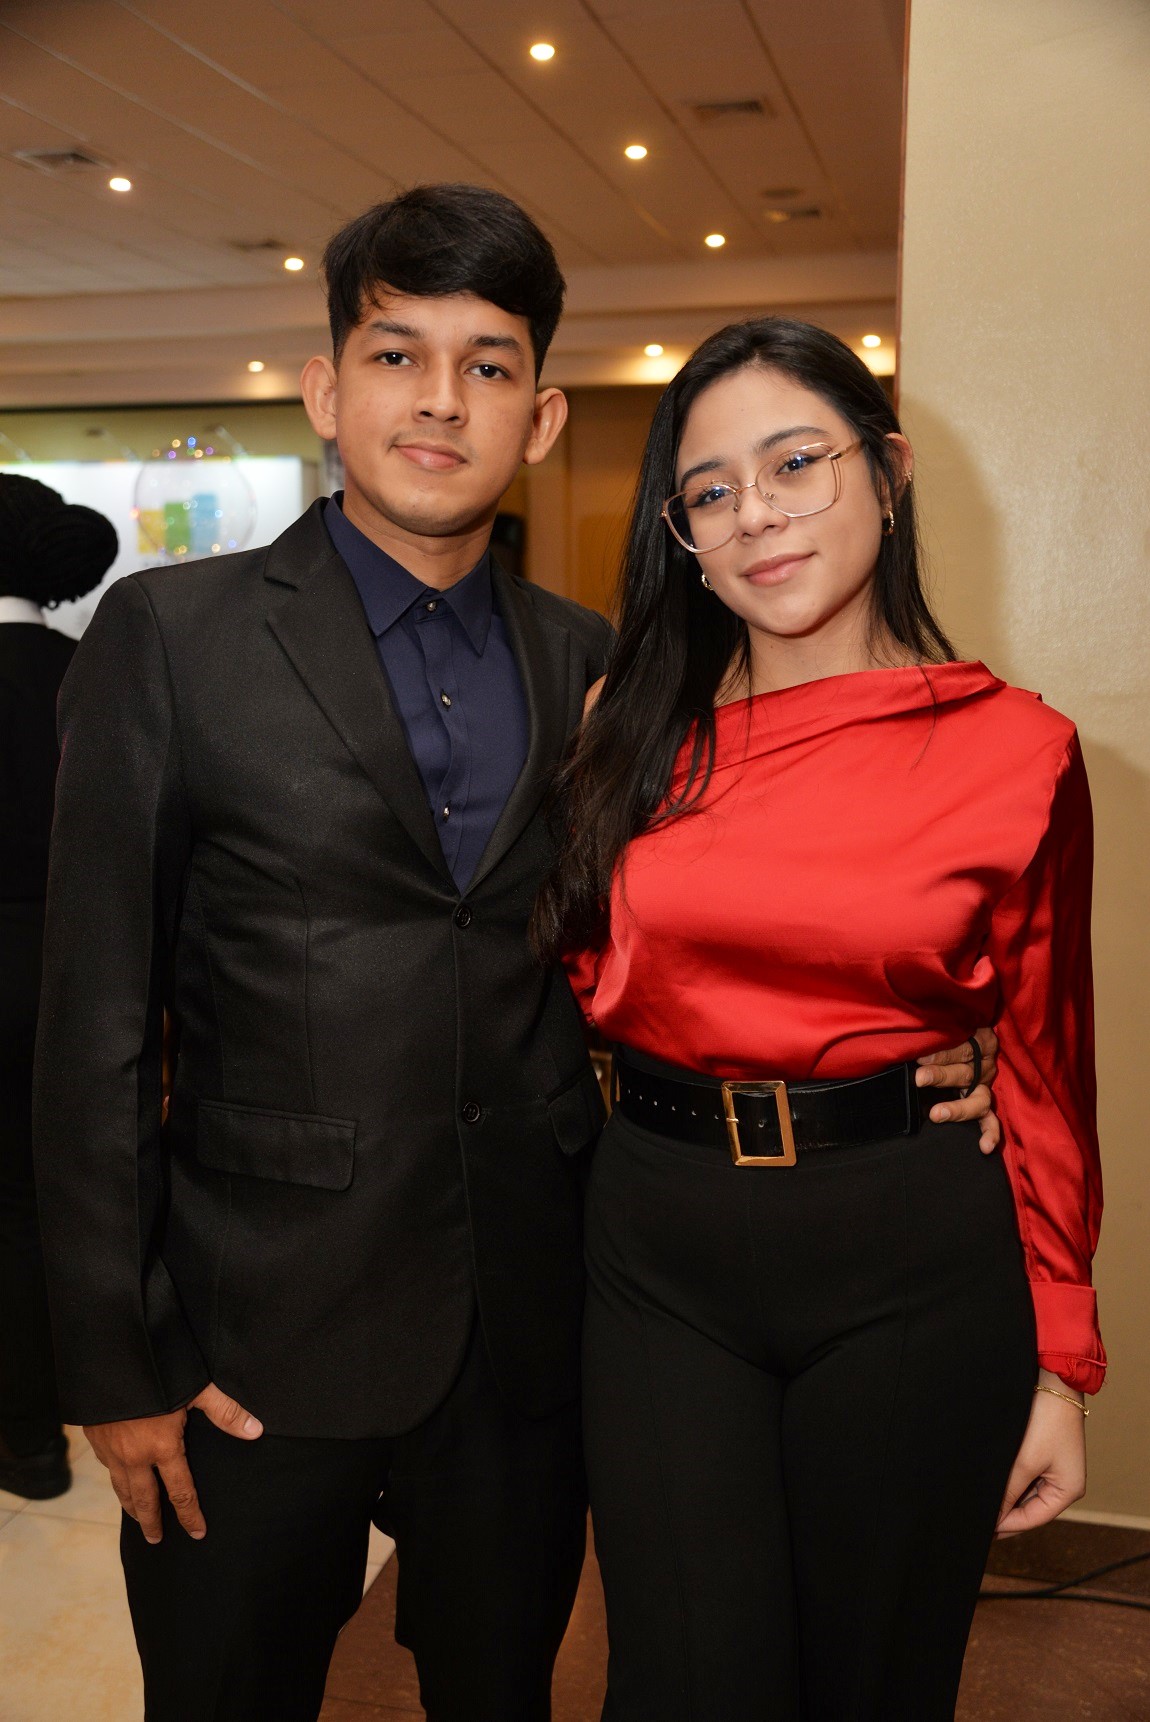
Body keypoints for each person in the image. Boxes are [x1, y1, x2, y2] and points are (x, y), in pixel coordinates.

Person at [33, 188, 999, 1722]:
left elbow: (701, 929)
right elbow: (89, 1021)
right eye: (396, 353)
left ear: (541, 418)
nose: (439, 399)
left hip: (531, 1333)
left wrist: (930, 1041)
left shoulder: (600, 669)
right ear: (325, 389)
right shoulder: (171, 636)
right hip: (250, 1331)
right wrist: (114, 1355)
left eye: (486, 365)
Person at [534, 317, 1104, 1721]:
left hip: (908, 1248)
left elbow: (1046, 1067)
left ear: (888, 473)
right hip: (657, 1243)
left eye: (795, 462)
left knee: (874, 1681)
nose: (756, 513)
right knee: (682, 1679)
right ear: (682, 533)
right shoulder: (625, 724)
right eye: (711, 490)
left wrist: (1060, 1363)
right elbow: (573, 979)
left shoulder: (1018, 751)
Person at [0, 474, 117, 1501]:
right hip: (81, 974)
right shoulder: (93, 674)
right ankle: (55, 1424)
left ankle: (25, 1431)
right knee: (63, 1198)